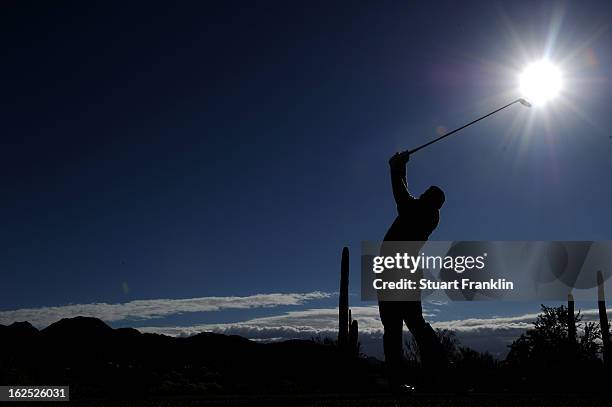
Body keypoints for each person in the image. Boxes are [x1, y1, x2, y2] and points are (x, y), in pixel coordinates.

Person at [378, 151, 447, 393]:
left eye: (427, 193)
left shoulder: (422, 212)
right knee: (397, 325)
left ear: (432, 201)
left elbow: (401, 194)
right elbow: (405, 195)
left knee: (407, 324)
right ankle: (410, 379)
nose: (423, 194)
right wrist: (399, 167)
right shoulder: (425, 212)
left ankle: (436, 374)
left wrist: (397, 167)